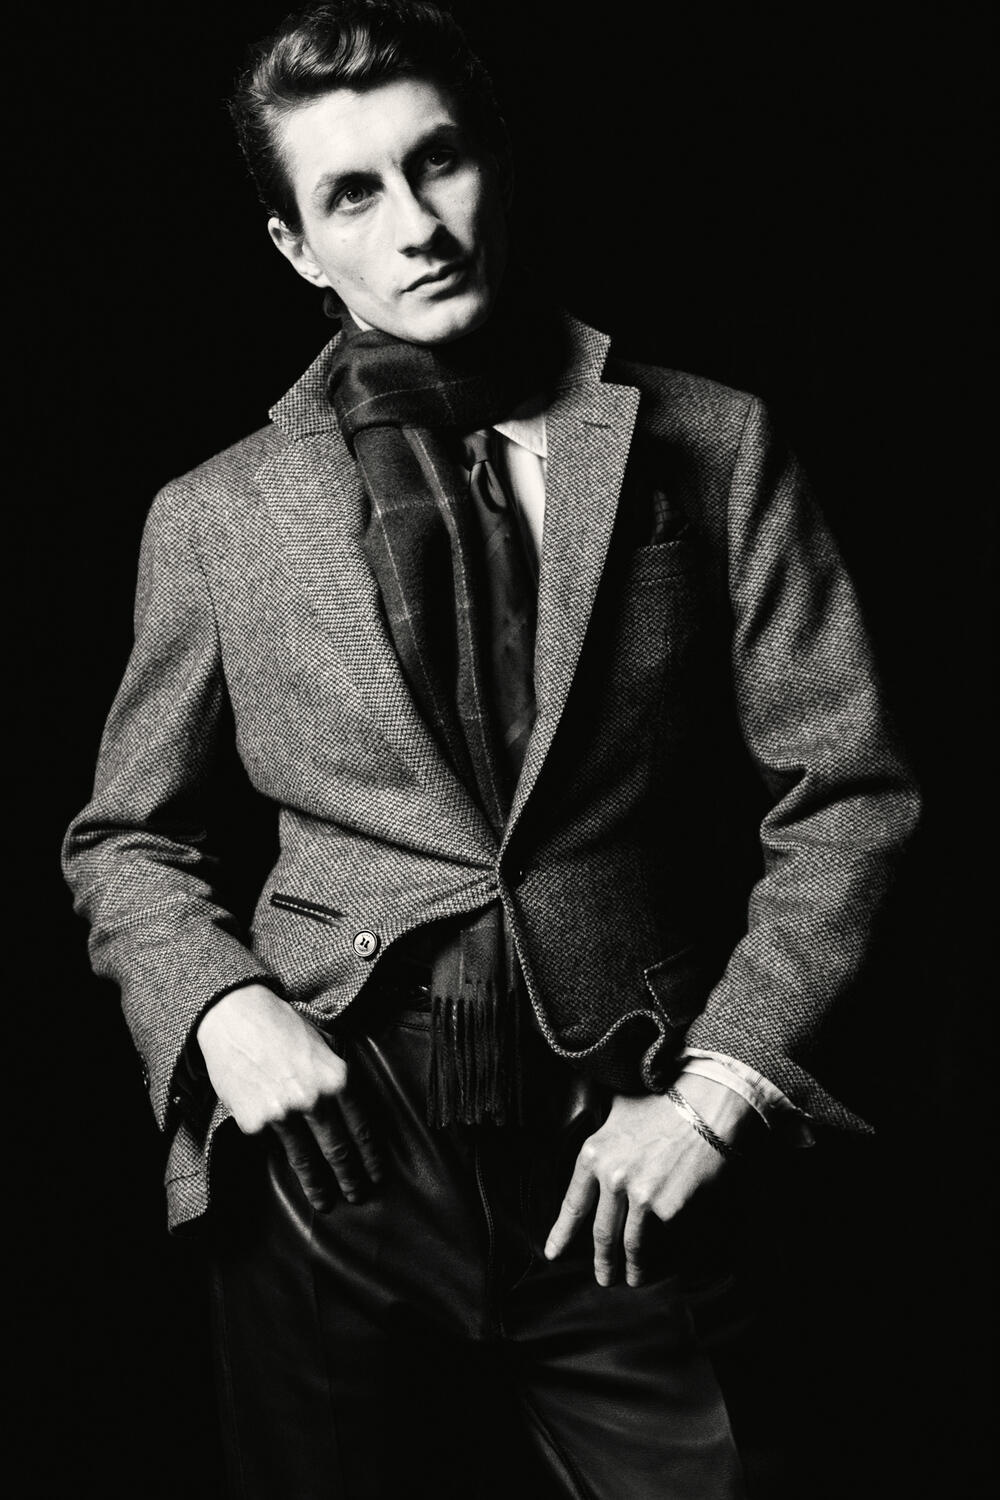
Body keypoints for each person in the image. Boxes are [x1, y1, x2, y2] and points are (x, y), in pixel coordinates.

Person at [61, 3, 920, 1496]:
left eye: (438, 162)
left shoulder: (712, 444)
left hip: (629, 1144)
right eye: (352, 195)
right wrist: (217, 1008)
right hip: (336, 1154)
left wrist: (719, 1089)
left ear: (497, 165)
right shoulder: (213, 517)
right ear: (295, 248)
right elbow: (124, 837)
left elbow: (851, 794)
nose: (416, 226)